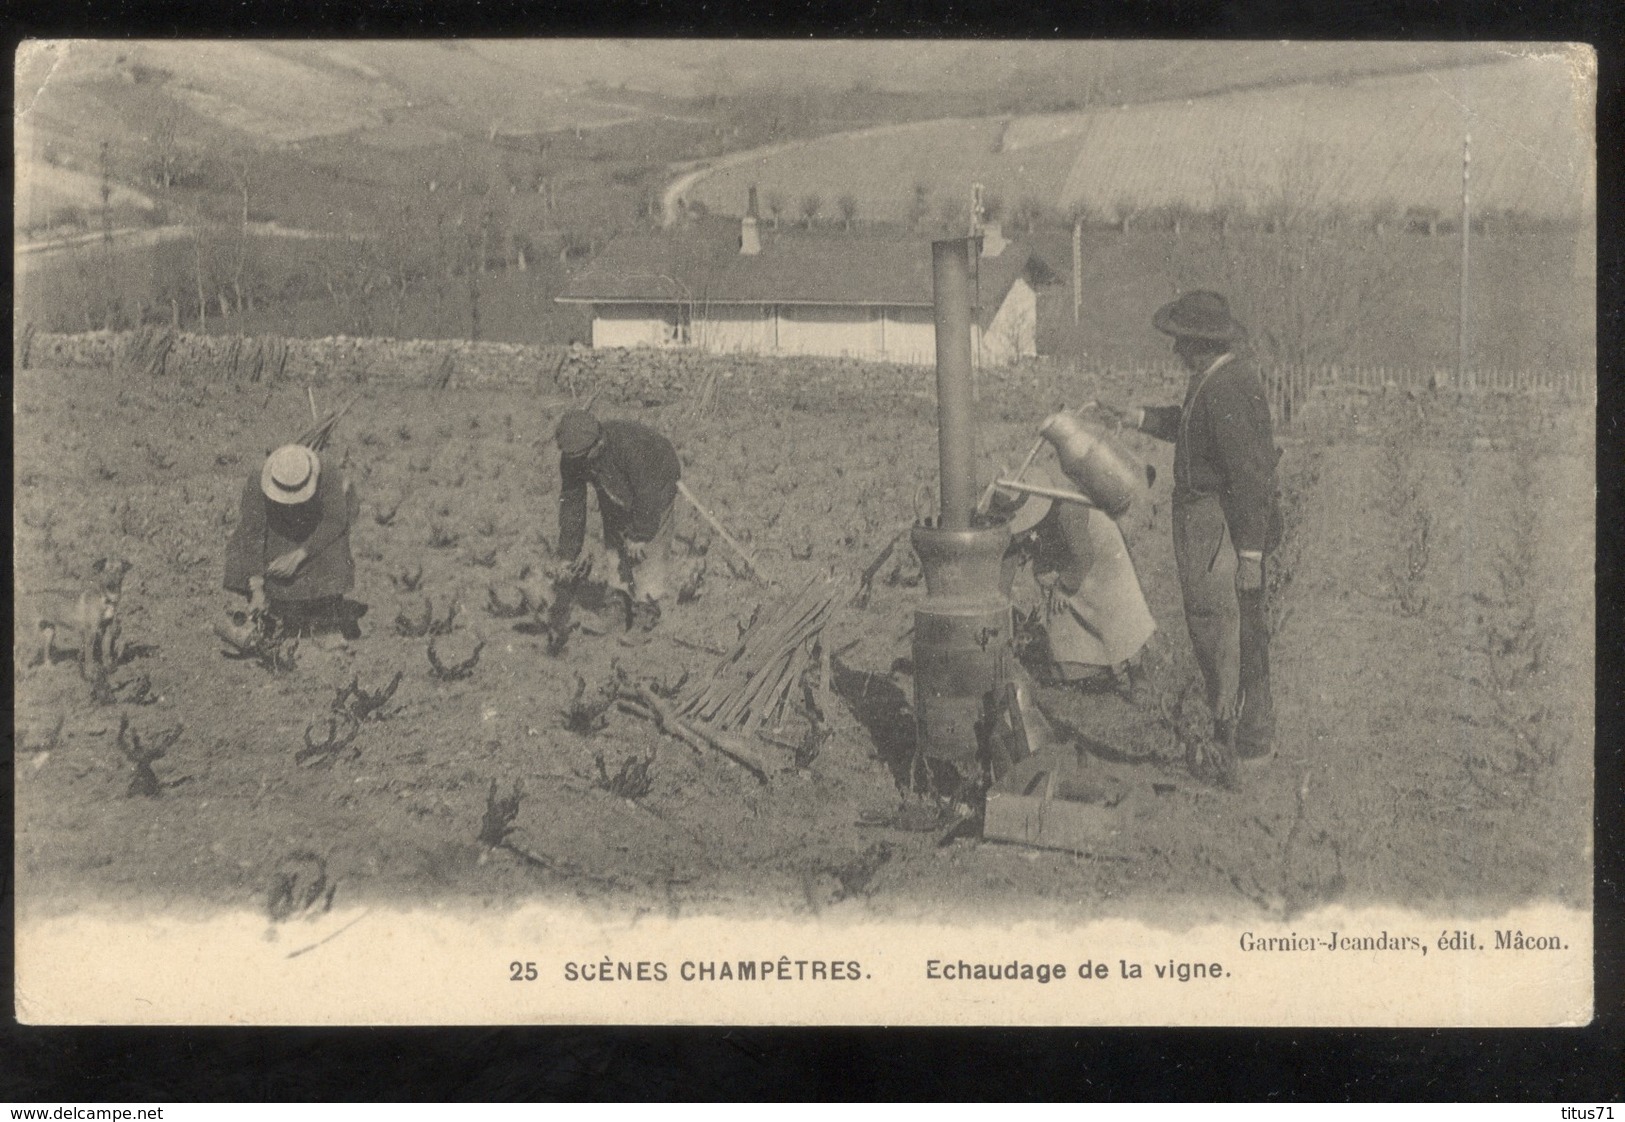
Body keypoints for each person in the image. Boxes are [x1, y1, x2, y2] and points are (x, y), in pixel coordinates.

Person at [1110, 290, 1283, 767]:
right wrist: (1137, 417)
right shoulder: (1213, 380)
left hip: (1221, 529)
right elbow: (1189, 425)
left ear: (1201, 343)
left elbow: (1250, 476)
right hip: (1206, 526)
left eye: (1180, 341)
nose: (1175, 351)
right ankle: (1240, 736)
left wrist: (1249, 556)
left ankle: (1245, 745)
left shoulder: (1226, 388)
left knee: (1229, 631)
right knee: (1221, 628)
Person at [993, 462, 1156, 690]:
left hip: (1103, 559)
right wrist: (998, 601)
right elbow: (1018, 552)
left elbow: (1083, 555)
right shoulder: (1043, 514)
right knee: (1064, 618)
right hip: (1076, 561)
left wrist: (1063, 586)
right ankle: (1088, 671)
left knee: (1119, 620)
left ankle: (1138, 675)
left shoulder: (1068, 508)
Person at [553, 410, 681, 635]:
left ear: (598, 444)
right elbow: (572, 505)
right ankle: (617, 603)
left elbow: (647, 493)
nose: (577, 464)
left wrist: (640, 535)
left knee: (649, 548)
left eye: (583, 458)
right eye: (574, 459)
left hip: (657, 477)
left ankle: (647, 609)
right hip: (614, 481)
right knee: (614, 538)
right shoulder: (574, 457)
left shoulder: (629, 448)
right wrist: (567, 555)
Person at [223, 443, 363, 644]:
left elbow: (335, 520)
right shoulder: (257, 479)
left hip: (313, 528)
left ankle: (324, 612)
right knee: (250, 561)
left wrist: (299, 555)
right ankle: (277, 605)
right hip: (278, 528)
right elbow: (252, 532)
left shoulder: (328, 472)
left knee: (334, 549)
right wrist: (257, 587)